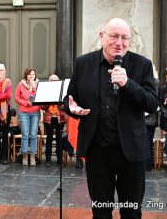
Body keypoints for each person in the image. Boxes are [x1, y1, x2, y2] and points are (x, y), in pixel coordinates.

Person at [64, 18, 158, 219]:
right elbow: (70, 99)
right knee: (100, 211)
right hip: (97, 148)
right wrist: (73, 108)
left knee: (131, 212)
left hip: (131, 150)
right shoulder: (83, 63)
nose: (119, 42)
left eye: (125, 38)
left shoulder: (143, 65)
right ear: (101, 36)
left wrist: (128, 83)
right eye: (114, 36)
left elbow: (151, 103)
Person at [15, 67, 41, 166]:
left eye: (33, 74)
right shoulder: (21, 84)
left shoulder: (38, 85)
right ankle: (25, 155)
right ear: (26, 75)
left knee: (33, 135)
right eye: (29, 74)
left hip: (35, 112)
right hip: (24, 112)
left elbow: (40, 96)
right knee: (25, 134)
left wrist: (34, 87)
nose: (31, 76)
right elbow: (17, 98)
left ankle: (33, 156)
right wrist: (26, 103)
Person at [41, 74, 69, 167]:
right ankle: (48, 159)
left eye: (55, 80)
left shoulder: (62, 91)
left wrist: (61, 105)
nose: (53, 81)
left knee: (59, 139)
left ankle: (59, 159)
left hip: (59, 118)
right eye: (51, 80)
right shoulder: (45, 91)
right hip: (49, 118)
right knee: (49, 139)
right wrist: (49, 101)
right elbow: (42, 106)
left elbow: (66, 105)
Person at [144, 67, 159, 171]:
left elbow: (155, 99)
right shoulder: (141, 80)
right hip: (140, 117)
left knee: (148, 141)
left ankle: (148, 164)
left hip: (150, 117)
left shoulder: (156, 82)